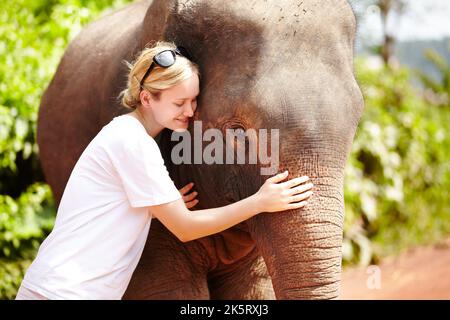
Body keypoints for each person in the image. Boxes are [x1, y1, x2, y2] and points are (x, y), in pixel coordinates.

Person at [15, 41, 314, 300]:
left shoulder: (127, 135)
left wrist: (156, 207)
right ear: (146, 98)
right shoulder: (133, 142)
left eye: (194, 99)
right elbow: (185, 229)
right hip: (64, 291)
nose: (190, 111)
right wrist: (260, 202)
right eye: (179, 102)